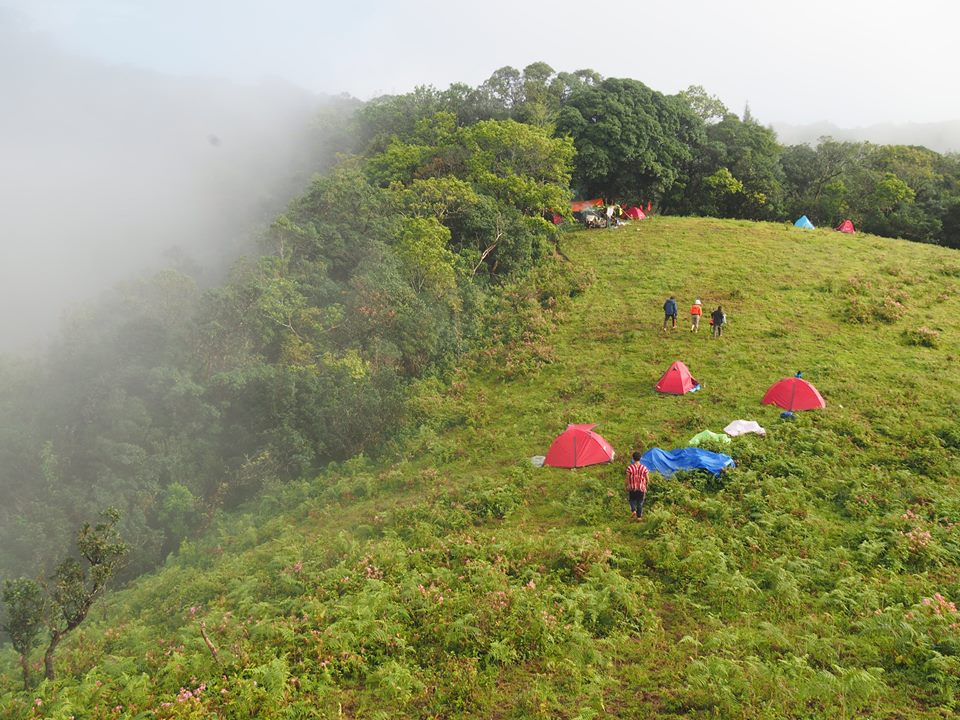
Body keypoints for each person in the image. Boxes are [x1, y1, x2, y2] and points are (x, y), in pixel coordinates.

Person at [625, 451, 649, 520]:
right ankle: (639, 517)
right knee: (640, 502)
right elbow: (647, 478)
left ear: (633, 458)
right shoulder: (644, 468)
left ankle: (633, 510)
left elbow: (627, 478)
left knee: (631, 500)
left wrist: (626, 485)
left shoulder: (630, 468)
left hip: (632, 487)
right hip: (641, 488)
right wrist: (646, 485)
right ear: (640, 458)